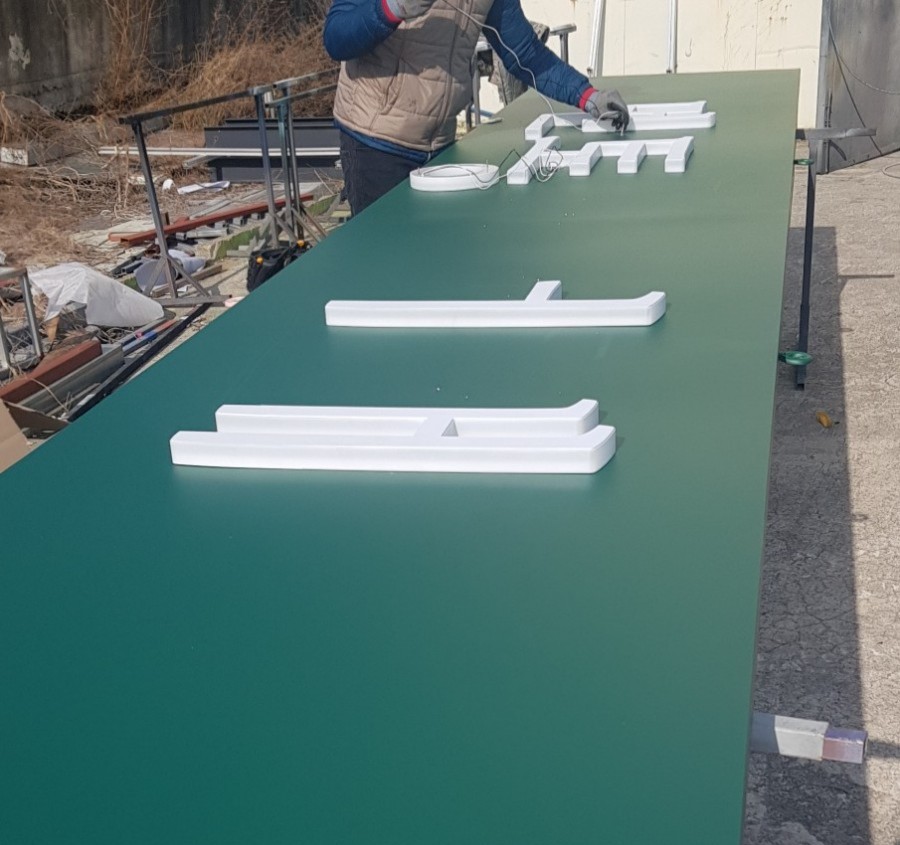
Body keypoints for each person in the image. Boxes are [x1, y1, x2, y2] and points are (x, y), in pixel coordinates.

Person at [323, 0, 630, 214]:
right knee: (383, 265)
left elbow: (524, 53)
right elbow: (336, 38)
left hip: (439, 147)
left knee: (439, 262)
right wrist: (392, 8)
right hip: (373, 143)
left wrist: (588, 96)